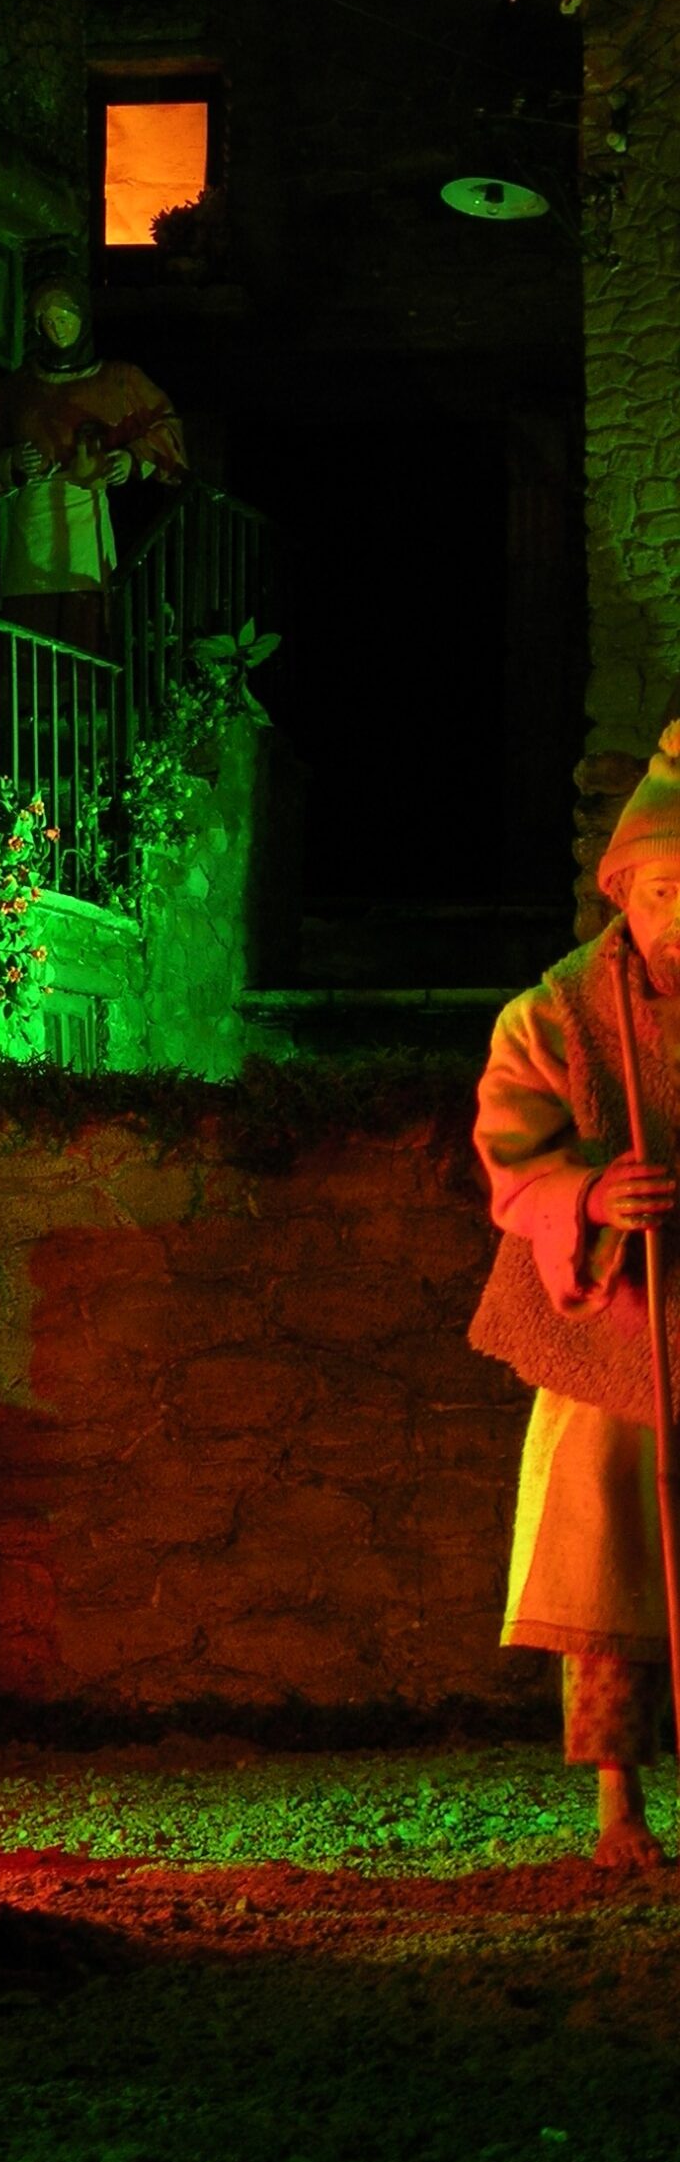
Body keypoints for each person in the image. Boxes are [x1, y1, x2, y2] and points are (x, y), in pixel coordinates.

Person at [471, 723, 680, 1865]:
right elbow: (513, 1158)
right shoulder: (555, 1015)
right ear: (624, 895)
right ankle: (617, 1806)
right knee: (607, 1563)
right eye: (664, 893)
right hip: (613, 1330)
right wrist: (594, 1193)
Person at [0, 246, 186, 655]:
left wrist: (132, 458)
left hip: (88, 512)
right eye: (48, 321)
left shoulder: (118, 381)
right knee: (31, 618)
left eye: (65, 318)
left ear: (82, 319)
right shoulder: (17, 390)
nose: (58, 329)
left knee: (84, 615)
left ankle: (82, 686)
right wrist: (10, 461)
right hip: (33, 518)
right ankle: (31, 689)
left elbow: (166, 426)